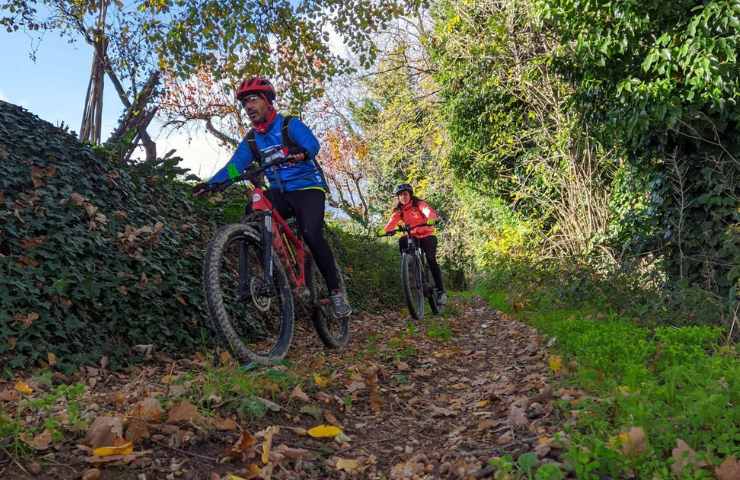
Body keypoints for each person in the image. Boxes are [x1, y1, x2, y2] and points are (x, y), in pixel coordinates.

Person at [193, 76, 351, 318]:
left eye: (253, 100)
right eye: (244, 103)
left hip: (308, 188)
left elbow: (312, 144)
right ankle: (270, 263)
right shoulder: (252, 140)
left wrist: (300, 152)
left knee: (311, 233)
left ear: (267, 101)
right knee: (252, 210)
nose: (248, 107)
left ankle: (336, 291)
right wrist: (214, 184)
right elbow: (236, 166)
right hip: (280, 192)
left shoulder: (289, 125)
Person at [382, 183, 446, 305]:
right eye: (400, 195)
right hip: (413, 236)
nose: (403, 197)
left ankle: (440, 291)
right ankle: (410, 267)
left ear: (410, 194)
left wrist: (431, 218)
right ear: (398, 198)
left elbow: (428, 211)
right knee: (402, 240)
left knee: (431, 259)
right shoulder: (399, 210)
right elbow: (392, 222)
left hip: (427, 235)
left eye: (405, 194)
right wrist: (385, 231)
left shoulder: (419, 204)